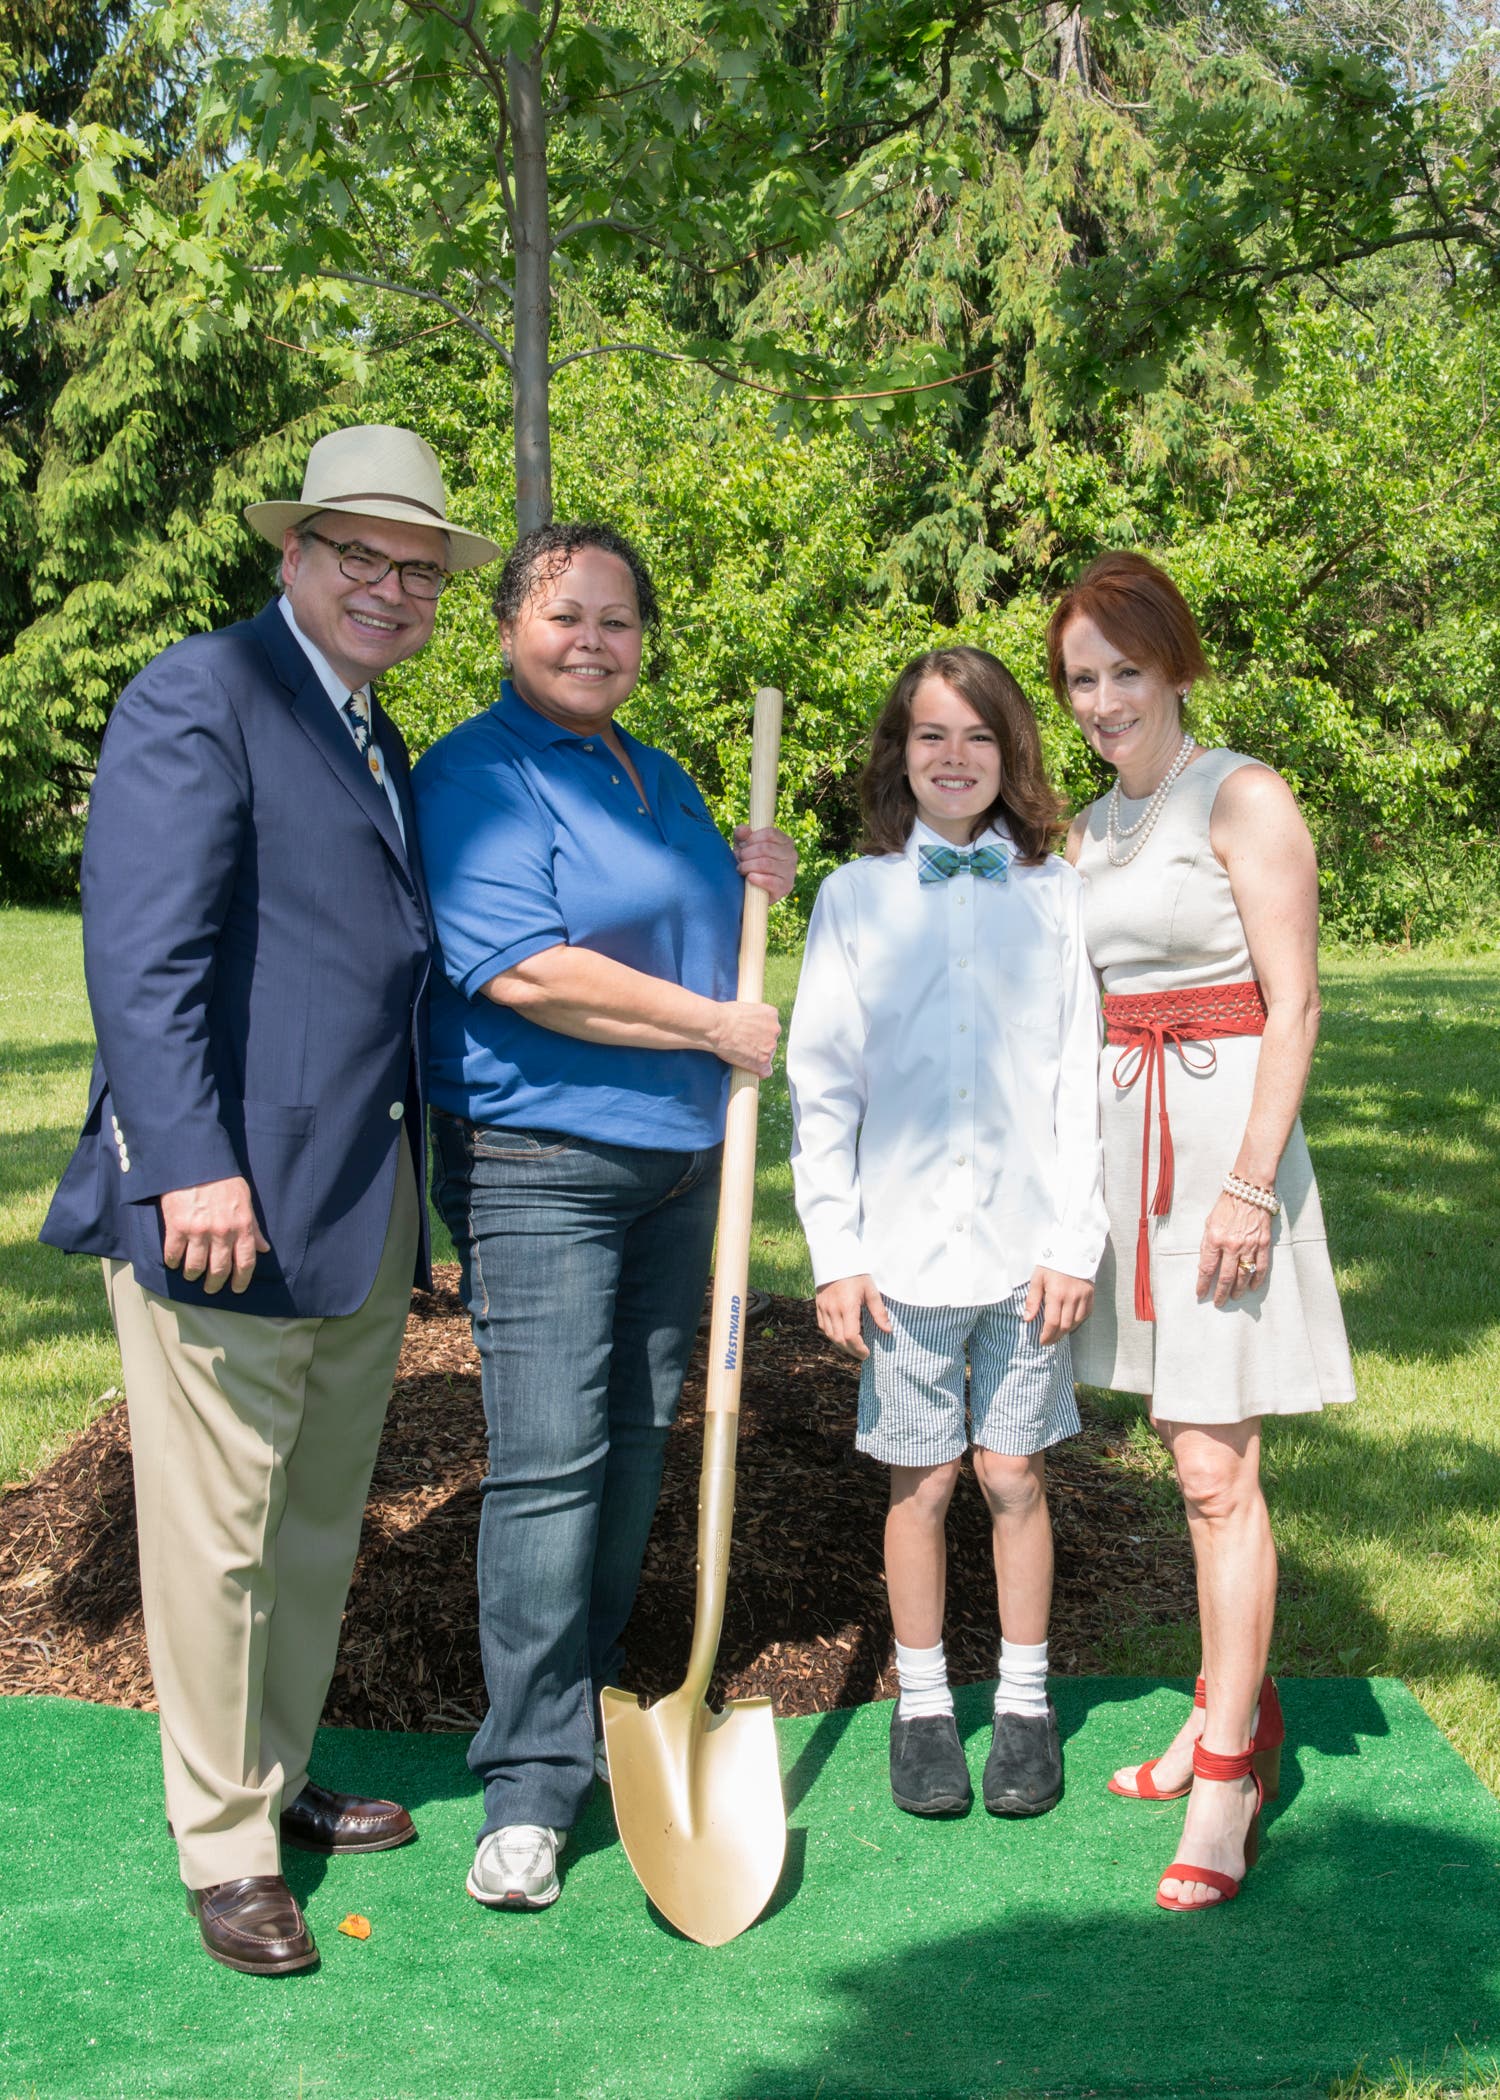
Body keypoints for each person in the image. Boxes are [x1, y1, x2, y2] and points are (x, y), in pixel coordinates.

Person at [41, 425, 502, 1973]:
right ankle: (226, 1846)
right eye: (359, 556)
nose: (390, 589)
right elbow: (143, 957)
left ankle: (276, 1773)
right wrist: (190, 1163)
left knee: (309, 1521)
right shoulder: (203, 694)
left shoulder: (368, 727)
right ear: (293, 555)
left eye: (418, 571)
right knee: (219, 1532)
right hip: (224, 1201)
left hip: (357, 1200)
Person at [410, 521, 796, 1914]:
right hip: (541, 1160)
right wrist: (715, 1024)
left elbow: (687, 928)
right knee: (549, 1460)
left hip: (684, 1164)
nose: (593, 641)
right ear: (509, 625)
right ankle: (525, 1786)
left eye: (618, 620)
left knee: (635, 1444)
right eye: (565, 615)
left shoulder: (661, 774)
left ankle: (591, 1702)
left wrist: (753, 877)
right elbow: (525, 970)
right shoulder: (476, 775)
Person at [1051, 551, 1355, 1912]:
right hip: (1130, 1149)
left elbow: (1295, 1004)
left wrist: (1248, 1183)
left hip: (1226, 1149)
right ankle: (1225, 1702)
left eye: (1125, 670)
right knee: (1186, 1453)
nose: (1103, 700)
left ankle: (1230, 1772)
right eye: (1081, 680)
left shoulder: (1243, 795)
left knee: (1218, 1471)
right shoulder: (1088, 828)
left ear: (1174, 664)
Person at [785, 646, 1107, 1821]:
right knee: (919, 1482)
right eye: (932, 735)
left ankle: (1023, 1703)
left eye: (979, 737)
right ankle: (922, 1707)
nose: (955, 758)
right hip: (904, 1257)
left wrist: (1074, 1239)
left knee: (1013, 1473)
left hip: (1028, 1253)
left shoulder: (1056, 896)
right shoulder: (854, 897)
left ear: (1011, 753)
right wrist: (837, 1251)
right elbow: (822, 1086)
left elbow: (1081, 1083)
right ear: (900, 753)